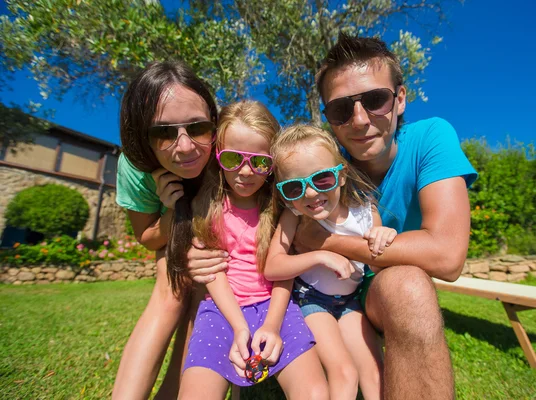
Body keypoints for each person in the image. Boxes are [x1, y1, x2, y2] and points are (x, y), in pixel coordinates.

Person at [290, 33, 478, 399]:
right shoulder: (323, 172)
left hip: (380, 290)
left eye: (375, 100)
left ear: (401, 98)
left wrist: (328, 242)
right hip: (329, 292)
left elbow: (446, 255)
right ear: (328, 118)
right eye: (341, 109)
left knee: (405, 285)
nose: (359, 120)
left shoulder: (431, 138)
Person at [173, 101, 329, 399]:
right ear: (218, 156)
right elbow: (212, 272)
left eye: (259, 162)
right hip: (220, 310)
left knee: (315, 392)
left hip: (277, 308)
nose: (245, 172)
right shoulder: (206, 206)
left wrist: (271, 324)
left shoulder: (282, 208)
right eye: (233, 158)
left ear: (272, 164)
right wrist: (239, 326)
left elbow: (284, 270)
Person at [113, 61, 230, 399]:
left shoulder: (227, 147)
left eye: (197, 127)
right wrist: (169, 210)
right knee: (171, 291)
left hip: (221, 236)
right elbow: (147, 237)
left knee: (204, 297)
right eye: (163, 132)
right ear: (141, 135)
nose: (185, 146)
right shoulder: (136, 167)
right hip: (173, 228)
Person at [264, 124, 396, 400]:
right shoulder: (293, 215)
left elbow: (378, 268)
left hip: (351, 302)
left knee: (374, 372)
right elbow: (273, 266)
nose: (310, 193)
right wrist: (321, 255)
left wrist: (384, 235)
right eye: (294, 187)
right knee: (344, 372)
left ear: (342, 174)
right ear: (284, 193)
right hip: (311, 300)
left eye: (322, 179)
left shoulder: (366, 213)